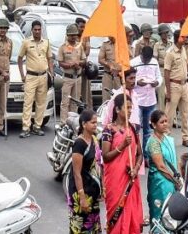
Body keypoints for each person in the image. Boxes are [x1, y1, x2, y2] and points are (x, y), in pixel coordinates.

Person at [100, 93, 143, 234]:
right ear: (117, 110)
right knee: (115, 217)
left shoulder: (134, 128)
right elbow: (105, 157)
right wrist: (122, 146)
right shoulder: (109, 130)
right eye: (127, 108)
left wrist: (136, 168)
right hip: (115, 180)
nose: (130, 110)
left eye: (132, 108)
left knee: (132, 219)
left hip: (130, 179)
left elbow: (140, 154)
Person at [146, 110, 181, 233]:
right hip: (159, 183)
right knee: (159, 213)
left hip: (170, 181)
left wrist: (178, 177)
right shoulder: (153, 142)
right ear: (154, 125)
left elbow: (174, 160)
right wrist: (174, 180)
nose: (165, 124)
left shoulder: (167, 139)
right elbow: (160, 166)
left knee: (171, 214)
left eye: (166, 121)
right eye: (162, 122)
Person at [17, 19, 53, 138]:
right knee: (28, 102)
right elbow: (20, 58)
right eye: (35, 30)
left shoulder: (46, 42)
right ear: (32, 30)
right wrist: (22, 75)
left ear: (41, 30)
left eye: (39, 29)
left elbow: (50, 59)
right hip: (31, 76)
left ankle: (37, 126)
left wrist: (51, 74)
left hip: (43, 76)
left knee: (41, 103)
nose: (37, 31)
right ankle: (26, 127)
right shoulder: (26, 42)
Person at [69, 108, 102, 234]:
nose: (95, 125)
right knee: (81, 228)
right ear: (83, 124)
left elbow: (98, 166)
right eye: (93, 123)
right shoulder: (79, 144)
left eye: (96, 122)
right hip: (81, 194)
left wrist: (102, 189)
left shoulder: (94, 139)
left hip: (92, 192)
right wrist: (82, 197)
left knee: (93, 227)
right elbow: (76, 173)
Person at [164, 30, 188, 145]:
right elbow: (166, 72)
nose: (186, 39)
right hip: (174, 85)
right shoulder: (170, 52)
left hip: (184, 85)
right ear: (177, 38)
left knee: (185, 113)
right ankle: (165, 137)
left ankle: (186, 138)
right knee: (170, 114)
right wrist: (168, 92)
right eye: (184, 37)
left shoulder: (184, 49)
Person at [59, 24, 84, 124]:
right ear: (67, 35)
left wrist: (79, 63)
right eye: (71, 35)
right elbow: (60, 62)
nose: (73, 37)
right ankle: (63, 123)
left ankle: (73, 122)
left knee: (75, 101)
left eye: (75, 35)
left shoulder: (79, 46)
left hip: (77, 77)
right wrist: (70, 65)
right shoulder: (63, 47)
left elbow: (84, 60)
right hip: (67, 78)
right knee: (65, 102)